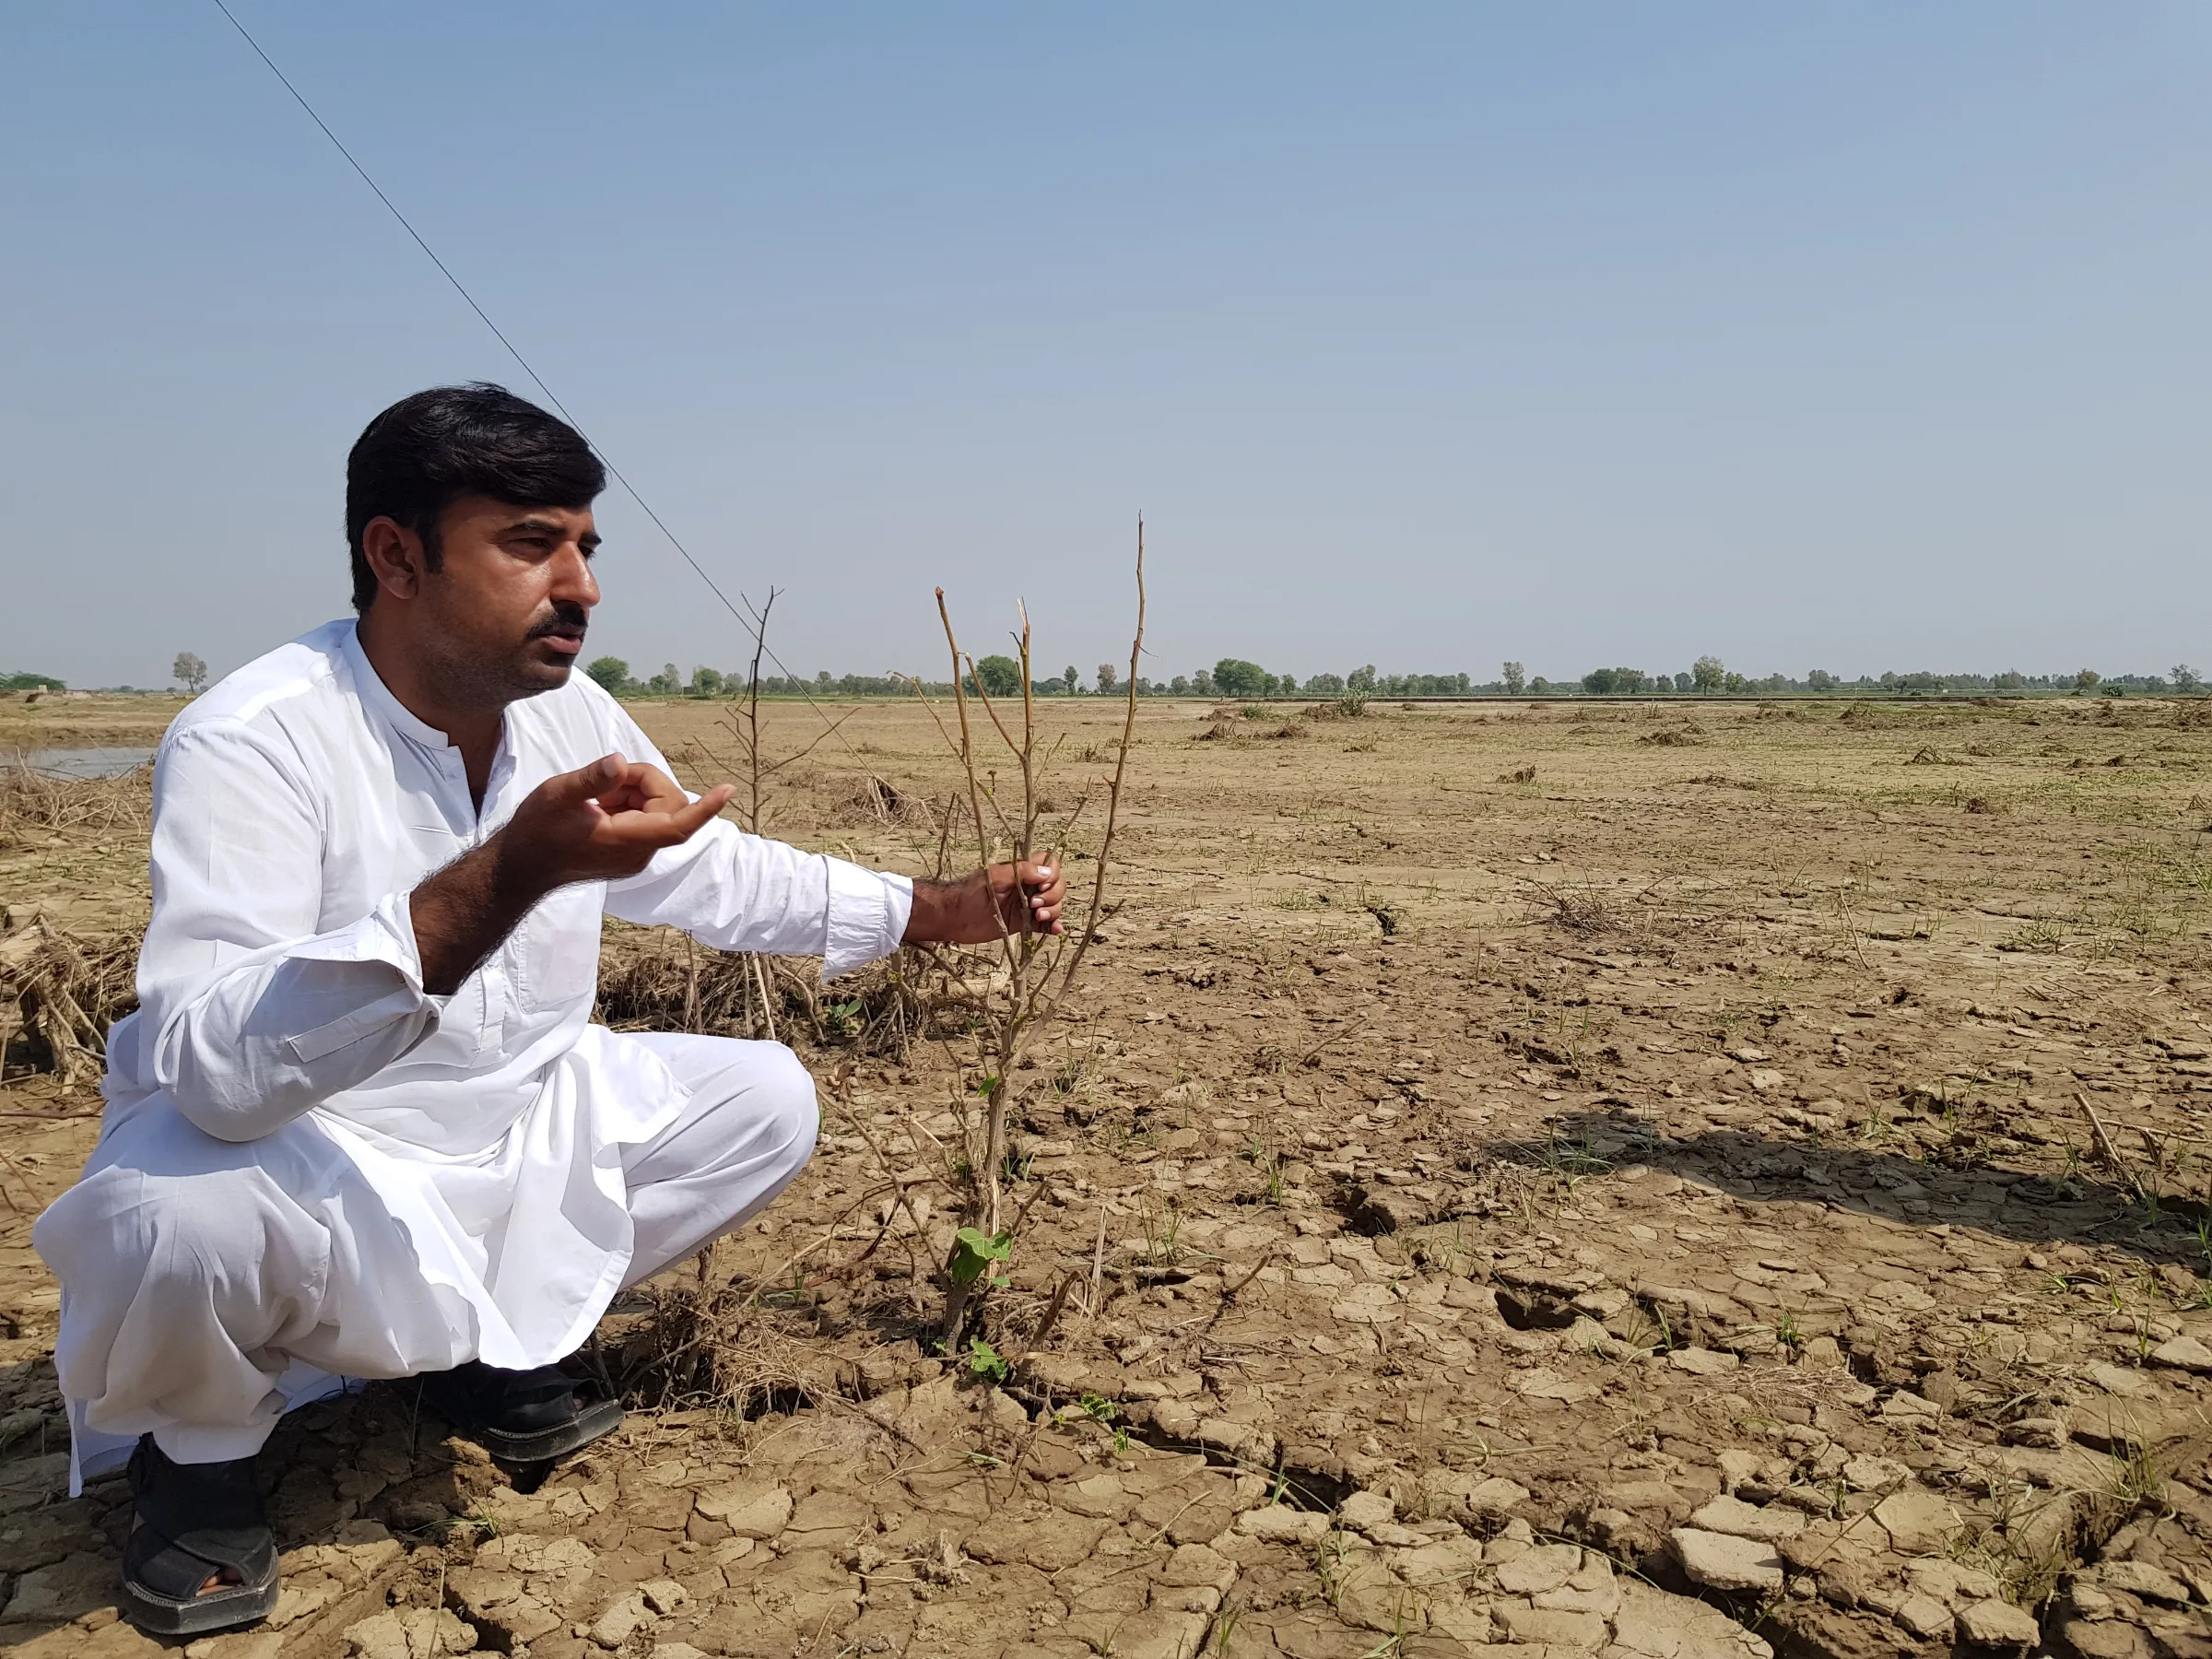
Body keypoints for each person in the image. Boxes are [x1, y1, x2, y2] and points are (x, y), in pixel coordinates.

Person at [31, 384, 1065, 1637]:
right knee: (164, 1218)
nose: (578, 585)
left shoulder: (569, 715)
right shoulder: (254, 738)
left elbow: (715, 873)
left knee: (765, 1102)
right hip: (317, 1165)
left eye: (585, 546)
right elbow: (215, 1074)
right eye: (531, 544)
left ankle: (478, 1353)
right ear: (397, 554)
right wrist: (508, 873)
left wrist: (936, 911)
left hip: (513, 1126)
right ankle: (195, 1459)